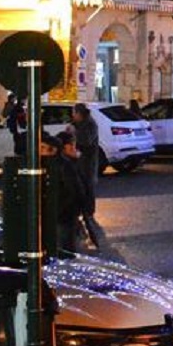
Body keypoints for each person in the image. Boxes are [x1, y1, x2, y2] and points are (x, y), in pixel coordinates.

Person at [70, 104, 105, 249]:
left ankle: (88, 211)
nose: (73, 115)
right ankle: (84, 210)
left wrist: (75, 132)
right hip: (81, 162)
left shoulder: (89, 124)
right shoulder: (79, 123)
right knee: (82, 186)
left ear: (79, 113)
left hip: (87, 162)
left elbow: (86, 142)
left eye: (74, 113)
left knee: (88, 186)